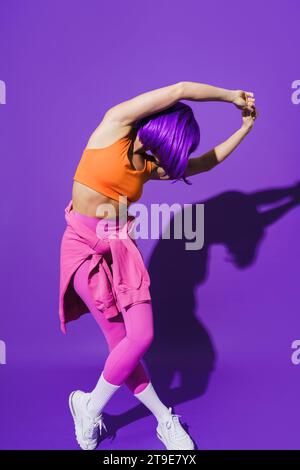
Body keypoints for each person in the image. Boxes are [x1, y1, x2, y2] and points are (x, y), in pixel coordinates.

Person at [59, 81, 257, 451]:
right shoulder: (115, 124)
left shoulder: (149, 166)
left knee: (139, 338)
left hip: (120, 251)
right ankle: (164, 419)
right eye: (167, 149)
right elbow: (180, 88)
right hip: (83, 250)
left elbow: (205, 162)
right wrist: (231, 97)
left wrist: (244, 129)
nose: (163, 158)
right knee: (122, 343)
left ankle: (88, 405)